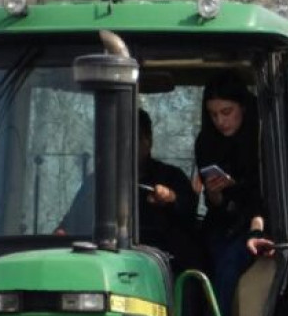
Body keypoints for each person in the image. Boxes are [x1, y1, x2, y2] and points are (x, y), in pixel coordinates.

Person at [60, 109, 200, 268]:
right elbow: (71, 224)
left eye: (130, 141)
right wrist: (61, 235)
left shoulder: (171, 177)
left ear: (148, 142)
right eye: (117, 142)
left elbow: (190, 214)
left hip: (163, 265)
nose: (123, 149)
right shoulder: (98, 181)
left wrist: (171, 199)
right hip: (106, 261)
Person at [192, 73, 266, 316]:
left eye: (227, 112)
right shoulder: (206, 142)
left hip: (259, 226)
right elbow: (216, 207)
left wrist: (256, 226)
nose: (221, 121)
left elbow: (268, 195)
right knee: (190, 262)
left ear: (244, 108)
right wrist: (215, 193)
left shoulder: (265, 139)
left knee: (225, 267)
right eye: (213, 115)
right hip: (222, 222)